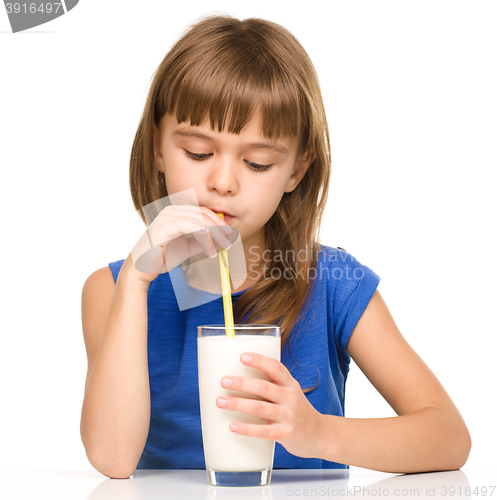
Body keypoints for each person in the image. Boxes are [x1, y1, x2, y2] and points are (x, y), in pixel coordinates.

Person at [80, 14, 471, 479]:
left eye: (258, 163)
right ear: (157, 150)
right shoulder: (114, 289)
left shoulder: (332, 284)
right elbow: (113, 459)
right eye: (199, 153)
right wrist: (136, 281)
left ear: (297, 171)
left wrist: (318, 433)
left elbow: (448, 437)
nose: (222, 182)